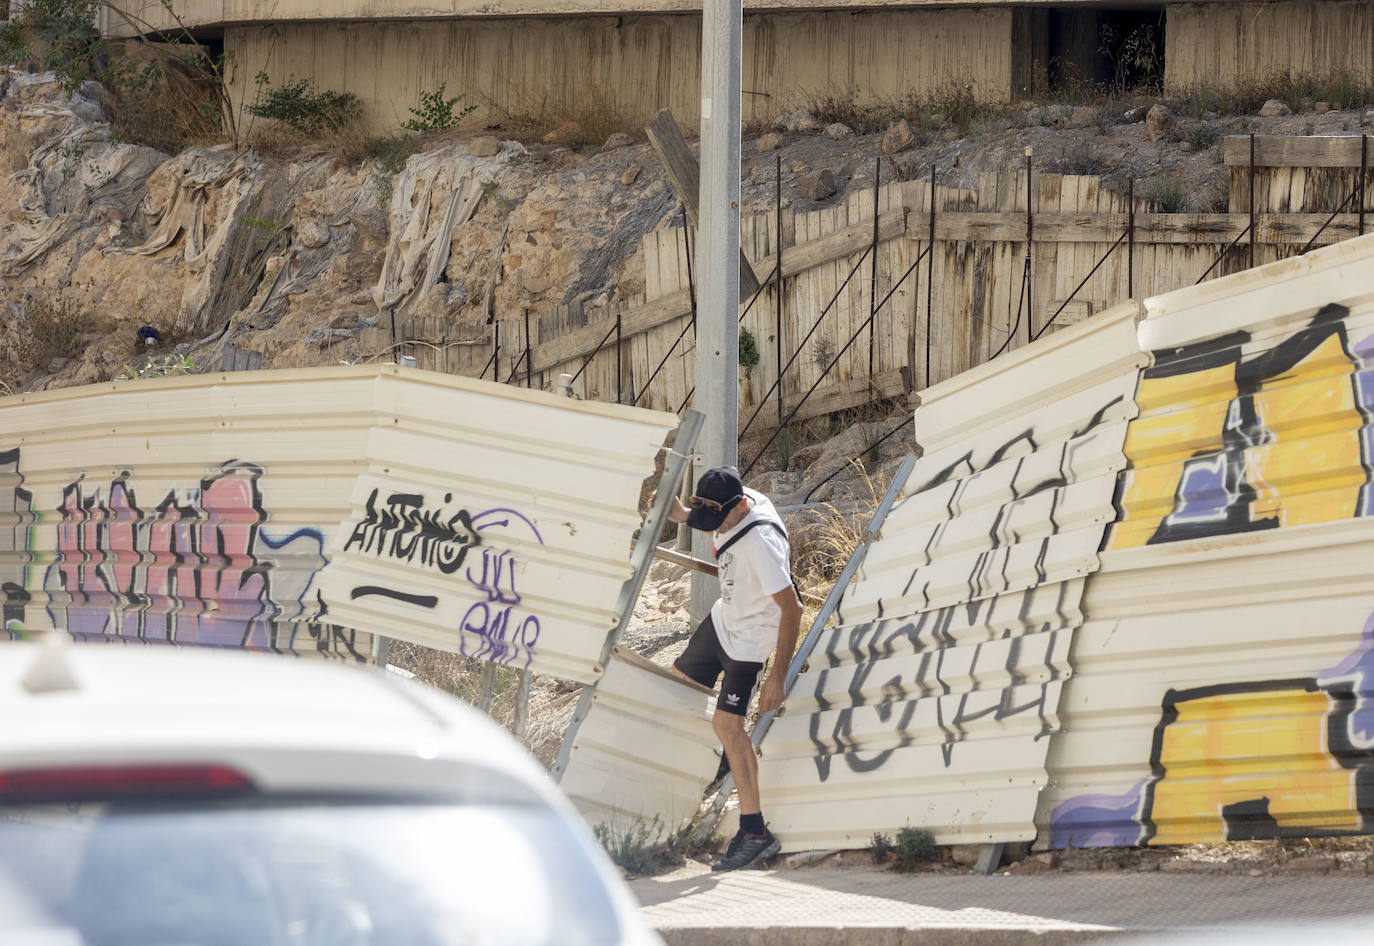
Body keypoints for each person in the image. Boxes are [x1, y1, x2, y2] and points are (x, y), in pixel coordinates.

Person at [663, 465, 801, 872]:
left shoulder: (761, 544)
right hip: (725, 619)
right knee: (680, 689)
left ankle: (756, 832)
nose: (712, 529)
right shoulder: (731, 501)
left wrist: (777, 676)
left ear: (741, 507)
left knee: (728, 725)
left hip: (751, 639)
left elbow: (792, 609)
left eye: (716, 521)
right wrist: (680, 515)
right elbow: (710, 515)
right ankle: (722, 761)